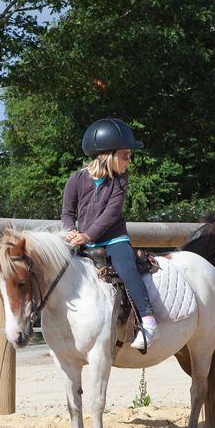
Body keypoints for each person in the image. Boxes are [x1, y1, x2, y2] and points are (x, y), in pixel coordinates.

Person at [62, 117, 158, 350]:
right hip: (83, 239)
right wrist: (69, 231)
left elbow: (111, 215)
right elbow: (67, 211)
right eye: (126, 155)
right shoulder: (75, 180)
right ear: (108, 155)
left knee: (126, 267)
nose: (130, 160)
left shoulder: (120, 181)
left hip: (114, 238)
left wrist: (87, 236)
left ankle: (147, 319)